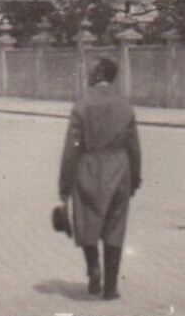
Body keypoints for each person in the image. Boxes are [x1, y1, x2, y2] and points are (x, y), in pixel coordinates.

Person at [58, 58, 142, 301]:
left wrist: (64, 185)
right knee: (115, 226)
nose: (87, 75)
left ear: (97, 75)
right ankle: (111, 287)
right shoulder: (125, 107)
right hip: (119, 170)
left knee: (87, 222)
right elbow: (134, 148)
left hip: (88, 168)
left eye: (90, 71)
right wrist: (135, 178)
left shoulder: (82, 106)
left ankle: (94, 268)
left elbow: (71, 149)